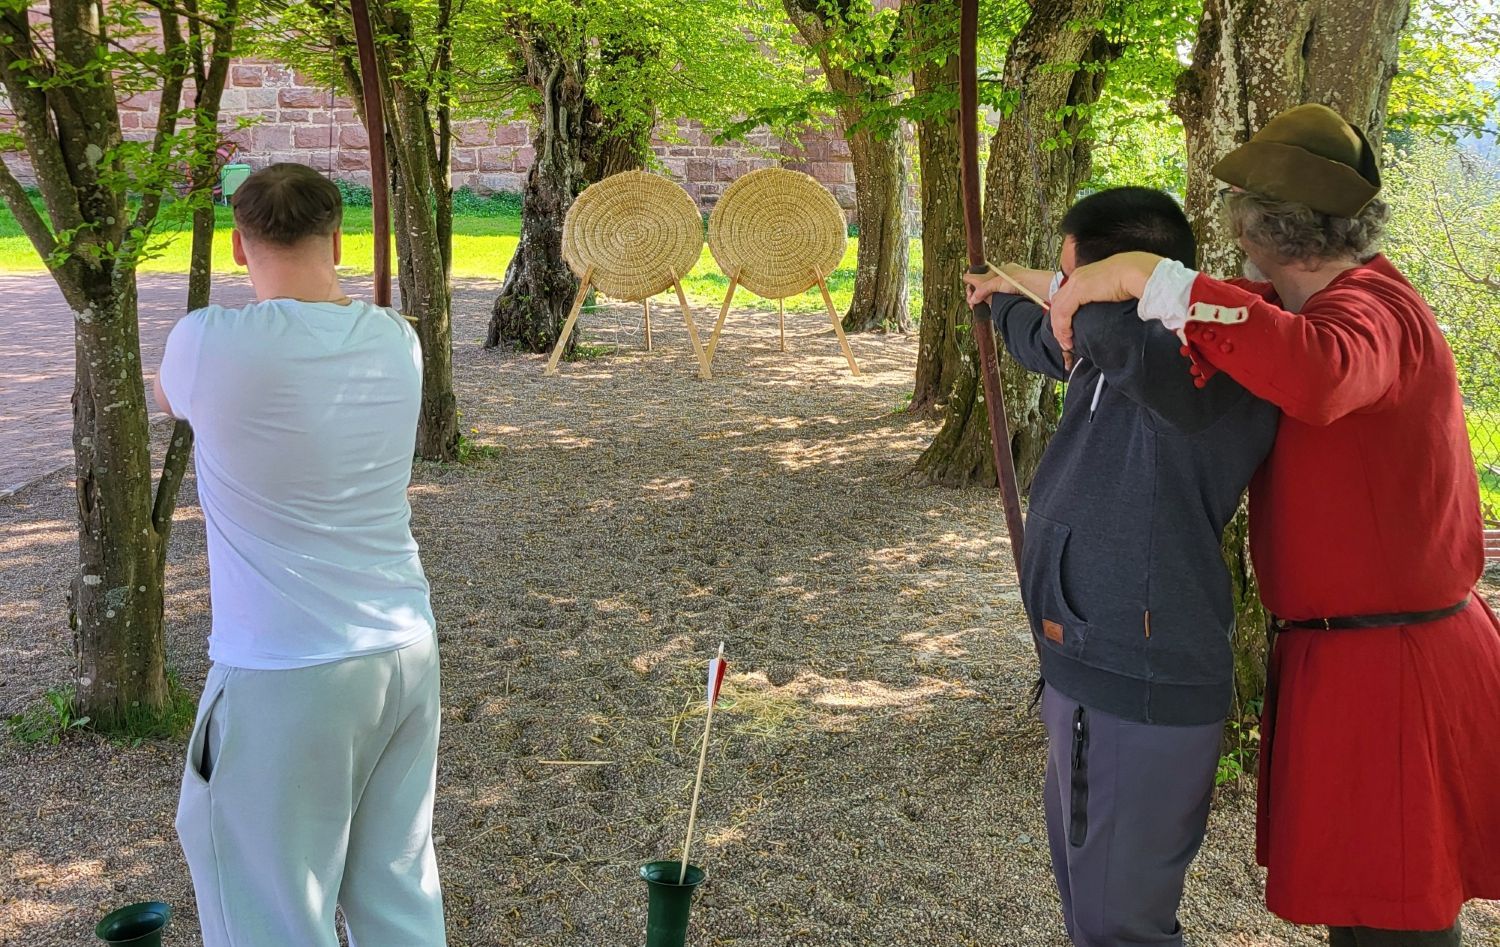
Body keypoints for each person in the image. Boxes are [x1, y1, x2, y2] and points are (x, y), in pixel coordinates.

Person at [1045, 104, 1500, 946]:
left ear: (1253, 227)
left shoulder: (1373, 312)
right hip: (1357, 657)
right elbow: (1235, 325)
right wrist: (1059, 288)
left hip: (1393, 667)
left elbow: (1320, 371)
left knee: (1397, 918)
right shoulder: (1286, 306)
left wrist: (1150, 273)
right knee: (1362, 910)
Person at [963, 187, 1279, 946]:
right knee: (1091, 910)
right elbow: (1049, 334)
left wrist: (1065, 290)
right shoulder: (1108, 345)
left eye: (1079, 284)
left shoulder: (1199, 359)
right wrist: (1000, 292)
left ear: (1121, 287)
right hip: (1090, 672)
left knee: (1117, 929)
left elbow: (1091, 323)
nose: (1065, 306)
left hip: (1138, 683)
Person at [156, 163, 448, 946]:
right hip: (402, 652)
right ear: (338, 237)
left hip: (286, 668)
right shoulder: (397, 340)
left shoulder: (208, 344)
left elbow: (169, 396)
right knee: (396, 890)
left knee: (268, 909)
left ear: (239, 247)